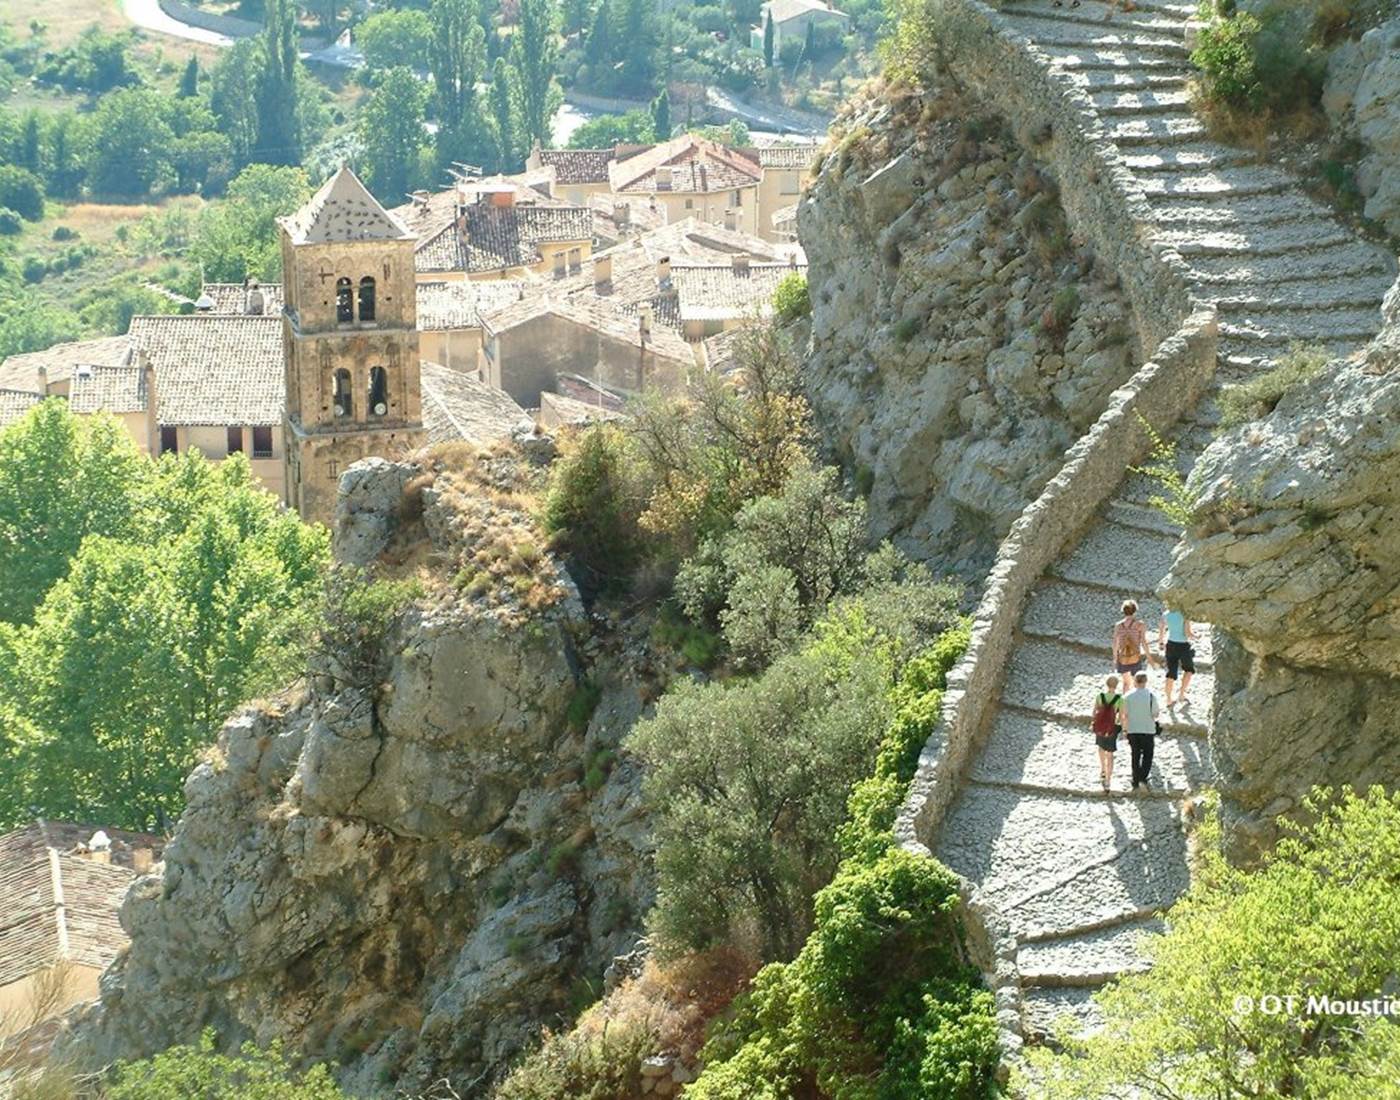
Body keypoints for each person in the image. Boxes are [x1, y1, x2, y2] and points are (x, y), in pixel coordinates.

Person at [1119, 671, 1160, 793]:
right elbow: (1155, 714)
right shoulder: (1151, 696)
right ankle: (1143, 777)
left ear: (1134, 681)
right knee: (1148, 755)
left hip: (1133, 729)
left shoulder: (1127, 696)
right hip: (1147, 729)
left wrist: (1125, 730)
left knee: (1135, 755)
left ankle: (1135, 780)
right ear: (1146, 682)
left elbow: (1124, 715)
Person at [1159, 605, 1196, 709]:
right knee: (1189, 669)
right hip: (1183, 645)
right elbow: (1187, 633)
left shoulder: (1166, 614)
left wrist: (1161, 642)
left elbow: (1161, 628)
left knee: (1171, 673)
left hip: (1170, 644)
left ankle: (1168, 699)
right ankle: (1181, 694)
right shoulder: (1185, 615)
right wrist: (1196, 636)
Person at [1091, 674, 1123, 794]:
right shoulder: (1120, 698)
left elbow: (1095, 711)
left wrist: (1093, 723)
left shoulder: (1100, 696)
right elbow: (1121, 716)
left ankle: (1102, 769)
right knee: (1110, 754)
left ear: (1106, 684)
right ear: (1116, 686)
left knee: (1100, 747)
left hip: (1100, 726)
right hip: (1111, 728)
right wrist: (1123, 729)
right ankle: (1108, 780)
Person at [1112, 600, 1151, 676]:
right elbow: (1143, 642)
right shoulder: (1140, 625)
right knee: (1136, 680)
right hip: (1135, 657)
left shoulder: (1118, 625)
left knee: (1125, 683)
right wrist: (1149, 656)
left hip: (1122, 657)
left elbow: (1115, 643)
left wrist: (1115, 659)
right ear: (1135, 610)